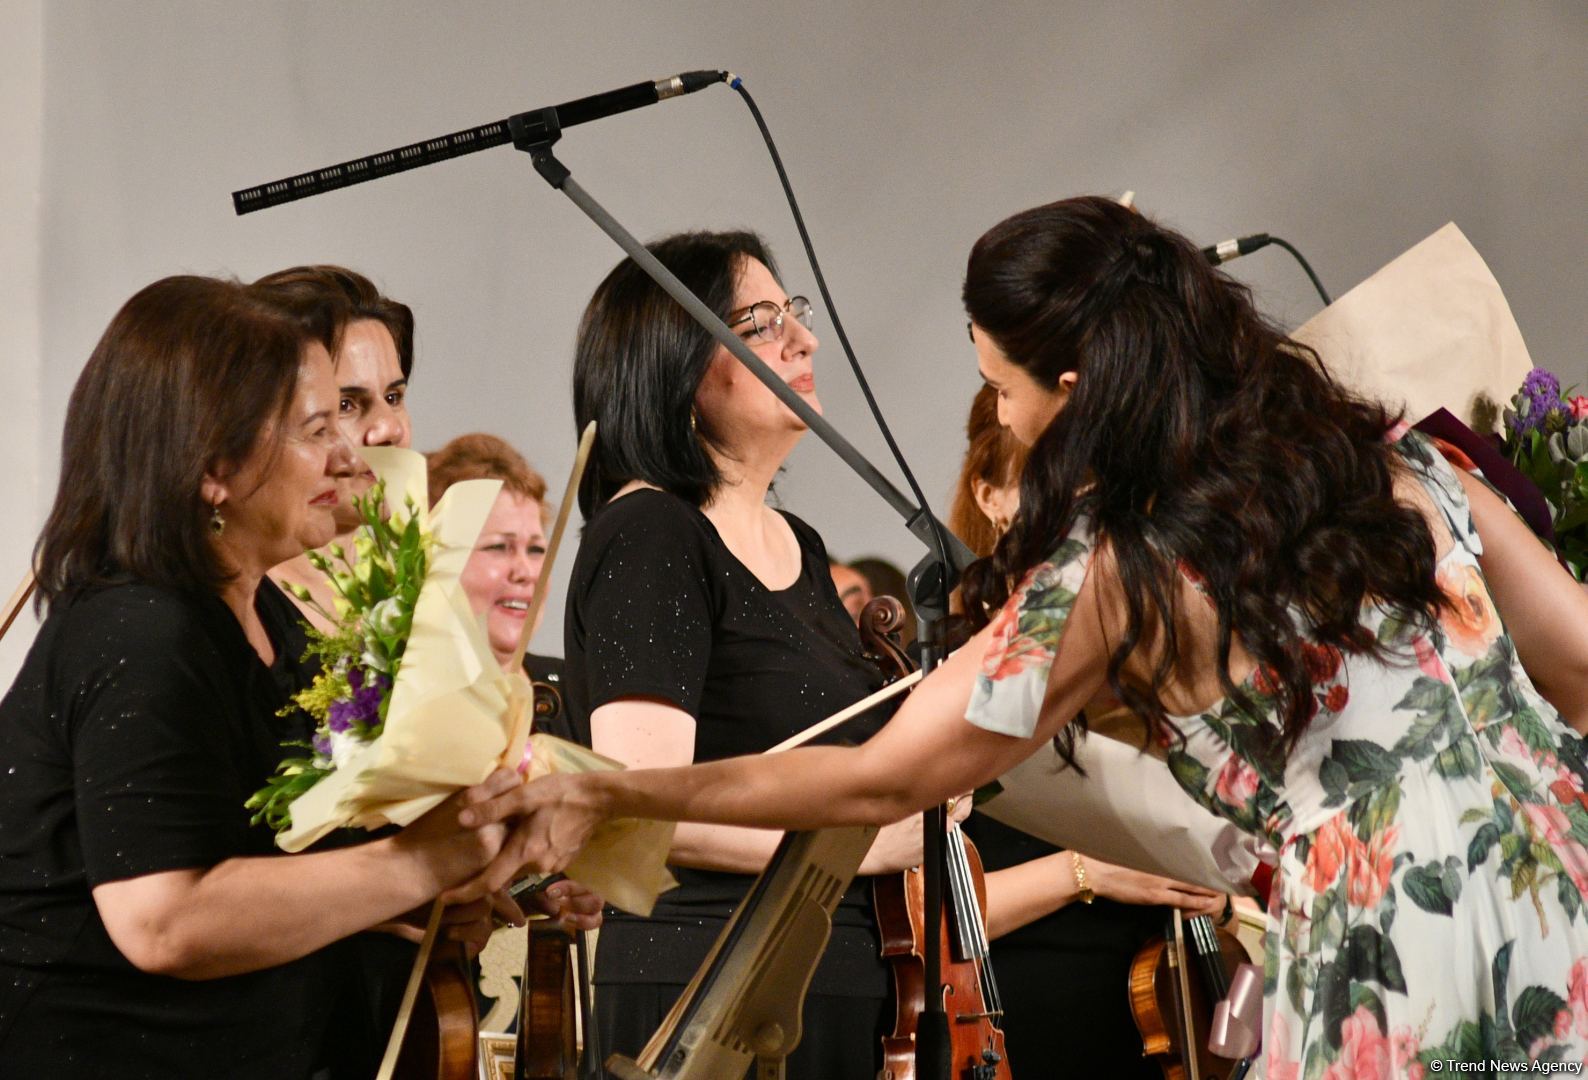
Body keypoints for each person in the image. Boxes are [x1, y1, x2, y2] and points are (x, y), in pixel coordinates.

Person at [464, 197, 1588, 1076]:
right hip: (1560, 884)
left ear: (1075, 390)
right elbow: (1580, 662)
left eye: (998, 389)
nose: (995, 420)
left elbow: (878, 779)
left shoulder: (1122, 567)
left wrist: (618, 793)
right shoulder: (1399, 466)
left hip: (1395, 924)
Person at [0, 276, 517, 1078]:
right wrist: (420, 863)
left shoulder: (267, 619)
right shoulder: (139, 631)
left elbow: (280, 864)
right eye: (318, 428)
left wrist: (478, 867)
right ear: (215, 465)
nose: (349, 455)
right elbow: (163, 918)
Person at [559, 230, 942, 1079]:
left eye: (792, 314)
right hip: (706, 995)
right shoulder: (653, 533)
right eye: (761, 322)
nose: (802, 341)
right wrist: (857, 843)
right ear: (674, 363)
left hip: (830, 989)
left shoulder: (799, 545)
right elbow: (638, 808)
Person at [950, 383, 1225, 1078]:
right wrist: (1086, 871)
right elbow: (929, 923)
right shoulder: (959, 664)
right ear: (989, 497)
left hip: (1178, 1000)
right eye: (1044, 478)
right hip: (1041, 1018)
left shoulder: (1138, 633)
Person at [253, 265, 415, 635]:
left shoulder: (425, 584)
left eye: (394, 397)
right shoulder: (241, 605)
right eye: (346, 405)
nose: (389, 429)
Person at [426, 433, 574, 742]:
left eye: (535, 550)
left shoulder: (577, 693)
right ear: (435, 560)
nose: (525, 572)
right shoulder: (388, 697)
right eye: (498, 547)